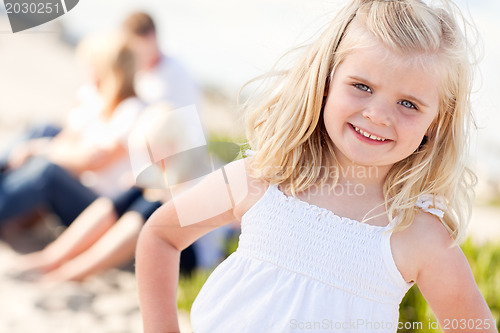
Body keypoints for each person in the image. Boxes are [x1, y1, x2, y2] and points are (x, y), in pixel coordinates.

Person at [135, 0, 498, 332]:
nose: (377, 115)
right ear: (325, 81)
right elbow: (161, 236)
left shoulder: (418, 234)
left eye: (408, 104)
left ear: (436, 122)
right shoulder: (263, 179)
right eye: (361, 86)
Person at [0, 32, 144, 228]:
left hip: (98, 204)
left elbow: (93, 161)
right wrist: (45, 148)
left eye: (92, 67)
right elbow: (68, 138)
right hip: (78, 179)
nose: (88, 72)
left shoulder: (131, 111)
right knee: (45, 129)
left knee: (49, 170)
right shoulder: (97, 98)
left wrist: (39, 150)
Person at [122, 11, 200, 108]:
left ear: (154, 37)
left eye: (143, 49)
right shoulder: (130, 74)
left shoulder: (177, 73)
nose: (141, 56)